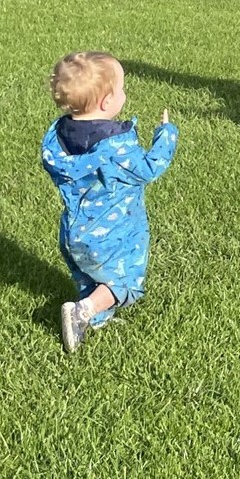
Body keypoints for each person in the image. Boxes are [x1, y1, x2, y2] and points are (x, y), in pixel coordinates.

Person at [42, 51, 179, 354]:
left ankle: (96, 319)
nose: (124, 94)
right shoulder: (115, 147)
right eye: (121, 89)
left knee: (89, 276)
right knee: (126, 281)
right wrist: (166, 136)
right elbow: (148, 169)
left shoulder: (57, 138)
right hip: (113, 234)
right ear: (106, 102)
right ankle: (83, 311)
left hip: (73, 233)